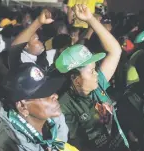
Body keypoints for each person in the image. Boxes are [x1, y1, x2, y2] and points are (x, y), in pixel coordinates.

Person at [55, 4, 128, 150]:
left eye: (95, 69)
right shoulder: (64, 107)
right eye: (90, 71)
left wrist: (91, 20)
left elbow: (115, 50)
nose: (96, 74)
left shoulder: (97, 83)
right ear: (75, 78)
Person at [0, 63, 78, 151]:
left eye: (51, 90)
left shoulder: (54, 122)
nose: (56, 96)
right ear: (22, 106)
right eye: (45, 94)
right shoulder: (3, 147)